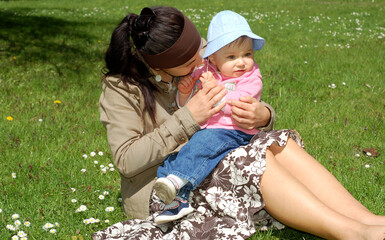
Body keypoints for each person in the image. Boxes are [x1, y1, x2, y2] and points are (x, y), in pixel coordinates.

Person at [95, 6, 385, 240]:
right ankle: (352, 233)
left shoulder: (200, 53)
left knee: (276, 141)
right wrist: (189, 118)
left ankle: (367, 220)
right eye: (189, 62)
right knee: (247, 160)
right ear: (157, 66)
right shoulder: (121, 88)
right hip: (168, 189)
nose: (201, 61)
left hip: (217, 154)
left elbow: (240, 90)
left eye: (201, 49)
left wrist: (264, 115)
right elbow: (126, 160)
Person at [153, 10, 266, 225]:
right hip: (207, 129)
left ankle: (177, 181)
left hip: (235, 131)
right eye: (231, 57)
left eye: (247, 54)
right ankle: (176, 200)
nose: (241, 62)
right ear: (213, 57)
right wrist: (185, 91)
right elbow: (186, 106)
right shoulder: (207, 71)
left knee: (202, 146)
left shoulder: (252, 78)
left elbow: (235, 105)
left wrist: (213, 90)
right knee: (175, 158)